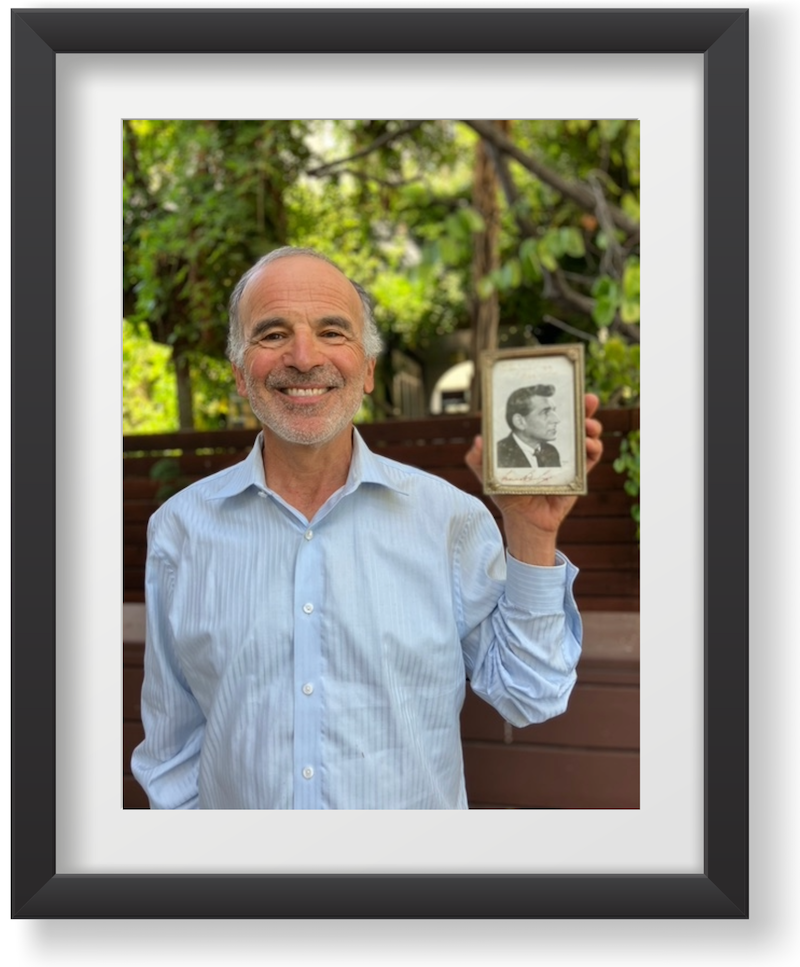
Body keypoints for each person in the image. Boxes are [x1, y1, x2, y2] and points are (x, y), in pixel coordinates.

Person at [131, 246, 603, 809]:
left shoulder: (449, 522)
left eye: (333, 332)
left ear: (369, 369)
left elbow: (531, 695)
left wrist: (531, 533)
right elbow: (174, 747)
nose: (304, 358)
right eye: (273, 334)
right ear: (238, 373)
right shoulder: (179, 532)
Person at [497, 385, 561, 468]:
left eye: (553, 411)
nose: (557, 419)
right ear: (520, 422)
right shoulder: (498, 454)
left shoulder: (551, 452)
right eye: (545, 412)